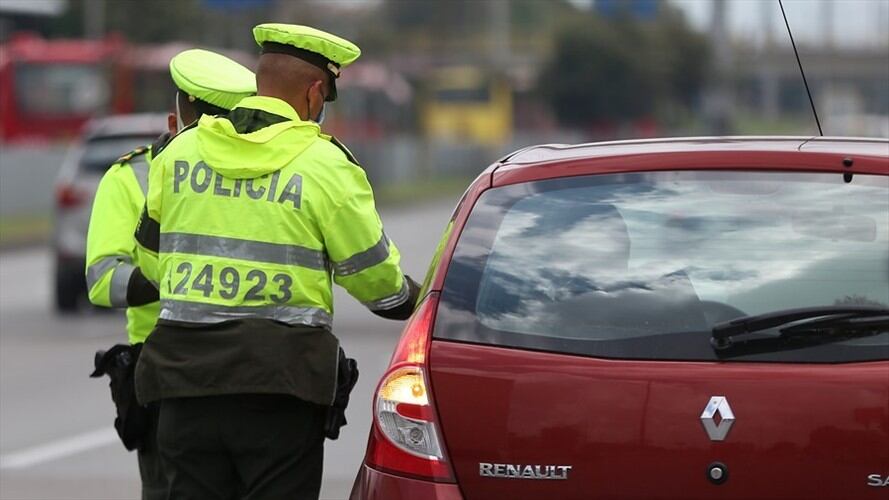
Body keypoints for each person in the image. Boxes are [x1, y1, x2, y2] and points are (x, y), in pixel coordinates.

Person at [133, 24, 419, 499]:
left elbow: (151, 263)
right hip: (279, 389)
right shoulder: (325, 165)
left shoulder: (178, 153)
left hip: (183, 382)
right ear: (313, 93)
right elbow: (377, 284)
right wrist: (414, 297)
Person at [85, 48, 255, 500]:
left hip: (249, 368)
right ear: (173, 124)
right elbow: (104, 279)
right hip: (167, 373)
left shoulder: (261, 172)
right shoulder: (132, 178)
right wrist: (179, 277)